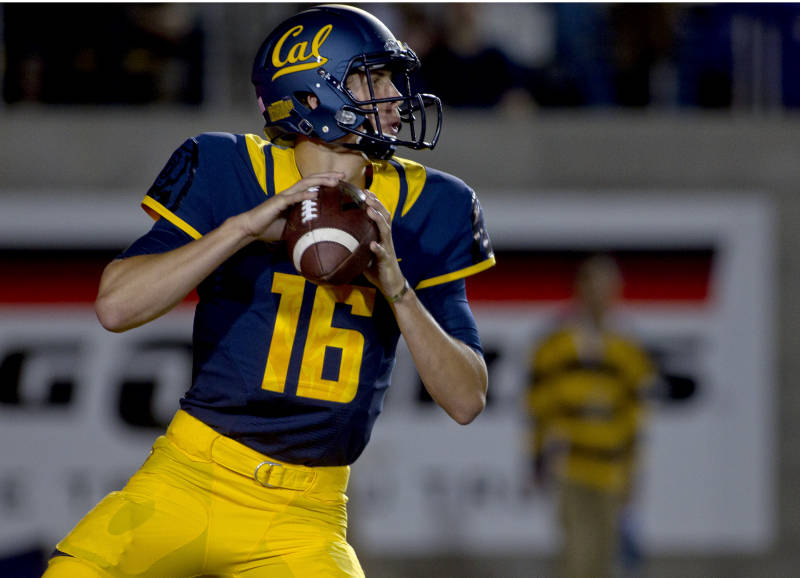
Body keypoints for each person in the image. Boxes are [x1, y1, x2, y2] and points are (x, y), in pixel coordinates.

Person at [43, 5, 495, 577]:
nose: (395, 98)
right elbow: (114, 306)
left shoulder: (433, 204)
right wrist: (241, 230)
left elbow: (466, 399)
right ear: (311, 94)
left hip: (306, 516)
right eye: (373, 79)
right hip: (189, 477)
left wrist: (398, 288)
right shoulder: (229, 168)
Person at [526, 255, 655, 578]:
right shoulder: (555, 345)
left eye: (606, 287)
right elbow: (539, 407)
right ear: (579, 289)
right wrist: (537, 456)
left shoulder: (627, 349)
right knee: (577, 558)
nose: (599, 295)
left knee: (605, 560)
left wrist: (632, 471)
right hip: (571, 466)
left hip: (611, 471)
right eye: (592, 286)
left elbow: (634, 417)